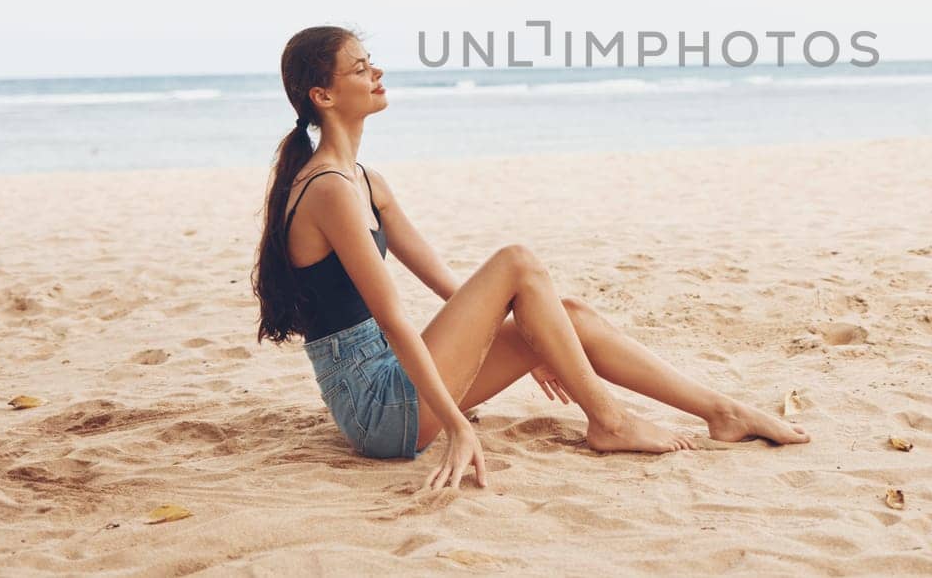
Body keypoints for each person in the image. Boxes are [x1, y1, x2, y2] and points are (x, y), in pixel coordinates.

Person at [252, 26, 810, 493]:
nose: (377, 74)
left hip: (399, 384)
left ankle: (723, 412)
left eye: (372, 63)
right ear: (323, 95)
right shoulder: (327, 188)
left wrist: (540, 333)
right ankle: (610, 421)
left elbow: (451, 287)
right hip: (377, 409)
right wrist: (456, 427)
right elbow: (394, 316)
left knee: (569, 315)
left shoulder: (366, 182)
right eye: (359, 68)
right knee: (516, 260)